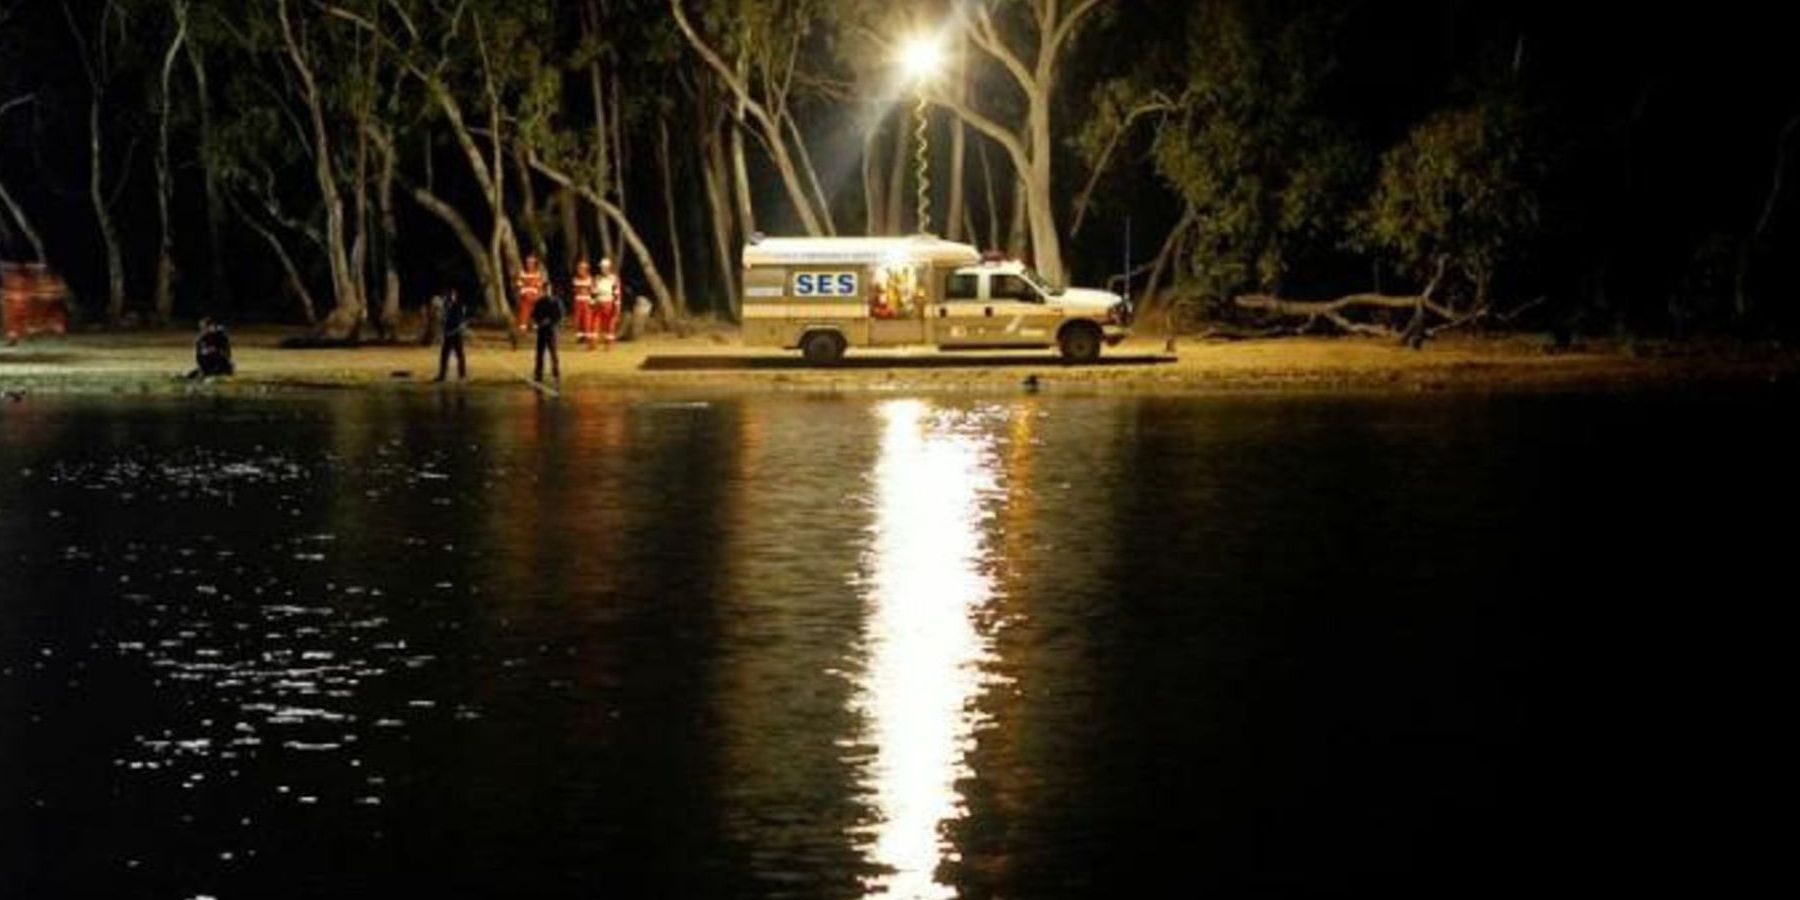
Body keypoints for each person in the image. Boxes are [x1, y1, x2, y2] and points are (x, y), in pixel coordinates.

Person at [530, 287, 565, 384]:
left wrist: (551, 322)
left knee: (553, 351)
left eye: (548, 290)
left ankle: (555, 371)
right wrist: (537, 323)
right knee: (539, 352)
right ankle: (538, 371)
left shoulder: (556, 302)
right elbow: (534, 314)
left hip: (551, 330)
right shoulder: (539, 302)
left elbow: (560, 315)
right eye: (545, 290)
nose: (546, 292)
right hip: (541, 330)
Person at [432, 289, 469, 382]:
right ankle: (442, 376)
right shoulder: (446, 306)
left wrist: (460, 325)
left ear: (455, 296)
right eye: (449, 296)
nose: (450, 297)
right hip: (448, 334)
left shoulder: (458, 306)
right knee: (444, 355)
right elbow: (442, 319)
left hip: (456, 334)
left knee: (460, 355)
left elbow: (460, 319)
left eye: (452, 295)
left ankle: (462, 375)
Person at [514, 253, 547, 334]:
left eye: (531, 263)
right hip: (525, 296)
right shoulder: (522, 273)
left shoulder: (537, 273)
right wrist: (523, 292)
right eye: (528, 263)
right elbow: (519, 284)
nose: (530, 265)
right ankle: (523, 329)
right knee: (524, 312)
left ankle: (536, 327)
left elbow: (540, 286)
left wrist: (539, 294)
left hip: (535, 296)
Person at [594, 257, 622, 349]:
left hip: (609, 303)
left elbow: (617, 293)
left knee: (610, 324)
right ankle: (593, 343)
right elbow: (594, 291)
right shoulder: (598, 278)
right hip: (599, 303)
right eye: (601, 267)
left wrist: (617, 305)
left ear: (608, 268)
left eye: (604, 267)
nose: (602, 269)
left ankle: (609, 344)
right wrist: (593, 301)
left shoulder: (614, 279)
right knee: (597, 323)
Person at [571, 259, 597, 346]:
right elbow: (574, 290)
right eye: (579, 268)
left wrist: (592, 301)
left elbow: (593, 291)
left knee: (587, 320)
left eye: (582, 268)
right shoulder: (575, 279)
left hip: (586, 301)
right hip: (578, 301)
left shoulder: (590, 279)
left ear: (586, 269)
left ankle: (588, 338)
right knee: (578, 320)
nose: (580, 270)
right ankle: (580, 337)